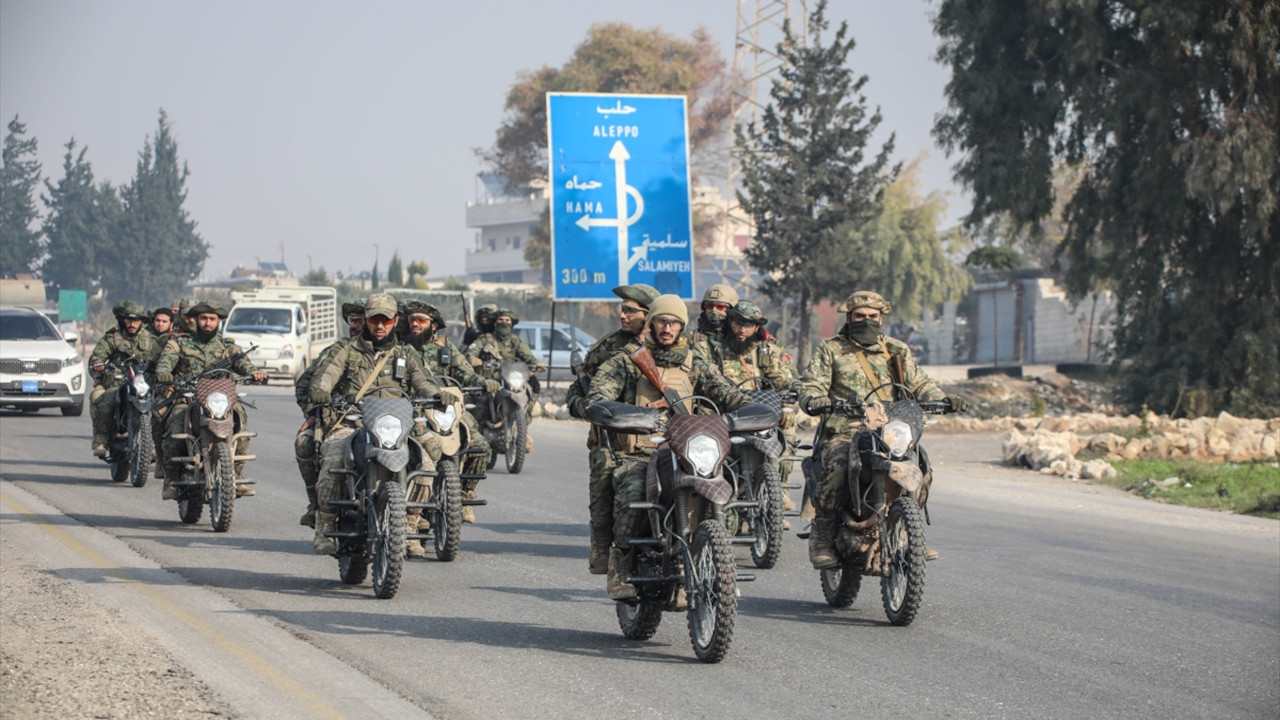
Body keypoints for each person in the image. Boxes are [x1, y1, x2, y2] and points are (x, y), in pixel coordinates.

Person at [584, 294, 750, 600]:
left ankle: (720, 567)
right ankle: (620, 566)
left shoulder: (695, 363)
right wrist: (618, 410)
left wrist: (750, 409)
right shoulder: (627, 361)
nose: (667, 328)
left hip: (687, 450)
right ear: (652, 322)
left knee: (725, 488)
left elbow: (727, 393)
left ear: (682, 326)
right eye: (662, 320)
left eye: (674, 322)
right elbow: (598, 395)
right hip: (639, 452)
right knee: (632, 489)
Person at [798, 291, 969, 568]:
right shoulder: (831, 349)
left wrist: (943, 399)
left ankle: (909, 534)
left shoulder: (896, 349)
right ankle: (822, 536)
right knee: (840, 469)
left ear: (881, 318)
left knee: (921, 467)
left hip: (891, 430)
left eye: (872, 317)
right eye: (860, 317)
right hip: (846, 429)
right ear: (849, 318)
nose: (866, 321)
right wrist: (816, 399)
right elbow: (813, 383)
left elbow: (920, 383)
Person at [304, 293, 440, 555]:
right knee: (333, 459)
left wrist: (435, 394)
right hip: (352, 422)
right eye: (374, 320)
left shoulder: (405, 354)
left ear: (395, 321)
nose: (380, 326)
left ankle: (410, 526)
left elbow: (423, 381)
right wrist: (322, 390)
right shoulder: (345, 349)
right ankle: (325, 526)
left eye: (386, 321)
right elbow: (327, 375)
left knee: (426, 464)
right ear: (365, 320)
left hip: (396, 427)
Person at [563, 284, 659, 575]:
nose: (622, 315)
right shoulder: (609, 348)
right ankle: (604, 547)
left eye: (630, 310)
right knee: (604, 475)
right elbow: (575, 395)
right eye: (622, 309)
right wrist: (592, 409)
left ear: (649, 314)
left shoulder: (673, 348)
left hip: (665, 436)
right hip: (615, 439)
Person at [692, 300, 803, 526]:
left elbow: (787, 381)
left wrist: (790, 403)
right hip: (721, 414)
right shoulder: (709, 347)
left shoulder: (765, 351)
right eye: (738, 323)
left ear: (757, 328)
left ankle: (776, 491)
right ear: (729, 321)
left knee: (787, 425)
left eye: (749, 325)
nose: (742, 330)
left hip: (758, 413)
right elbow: (700, 380)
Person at [399, 299, 494, 537]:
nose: (415, 324)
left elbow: (466, 374)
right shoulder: (400, 350)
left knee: (480, 447)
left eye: (421, 320)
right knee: (416, 453)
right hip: (413, 410)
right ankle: (412, 509)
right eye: (412, 320)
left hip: (447, 412)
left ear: (434, 325)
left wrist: (482, 382)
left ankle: (462, 495)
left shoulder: (446, 350)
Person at [155, 301, 267, 499]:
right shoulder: (179, 343)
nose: (208, 323)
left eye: (212, 319)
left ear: (219, 322)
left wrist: (254, 373)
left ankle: (235, 476)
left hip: (221, 399)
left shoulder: (228, 346)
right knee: (173, 428)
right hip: (188, 397)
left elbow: (244, 364)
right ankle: (170, 480)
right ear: (196, 320)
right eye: (204, 319)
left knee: (241, 426)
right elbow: (166, 362)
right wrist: (164, 373)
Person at [292, 298, 365, 529]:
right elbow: (305, 386)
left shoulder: (398, 354)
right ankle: (316, 505)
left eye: (362, 320)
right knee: (305, 443)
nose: (356, 326)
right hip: (338, 420)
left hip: (383, 423)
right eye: (353, 320)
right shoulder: (335, 351)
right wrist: (313, 412)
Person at [466, 307, 546, 450]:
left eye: (507, 320)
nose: (504, 322)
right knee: (482, 399)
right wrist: (474, 359)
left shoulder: (516, 341)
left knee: (531, 390)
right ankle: (477, 436)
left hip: (513, 376)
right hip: (491, 378)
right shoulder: (485, 339)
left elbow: (527, 356)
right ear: (495, 322)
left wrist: (536, 364)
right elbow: (471, 353)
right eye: (500, 320)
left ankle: (522, 429)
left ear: (512, 323)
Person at [88, 301, 160, 457]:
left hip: (145, 383)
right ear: (122, 320)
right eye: (128, 320)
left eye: (136, 320)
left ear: (142, 321)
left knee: (160, 406)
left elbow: (164, 359)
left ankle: (154, 445)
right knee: (104, 401)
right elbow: (96, 357)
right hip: (118, 383)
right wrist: (97, 366)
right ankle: (101, 440)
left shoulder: (152, 340)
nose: (132, 323)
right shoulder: (112, 338)